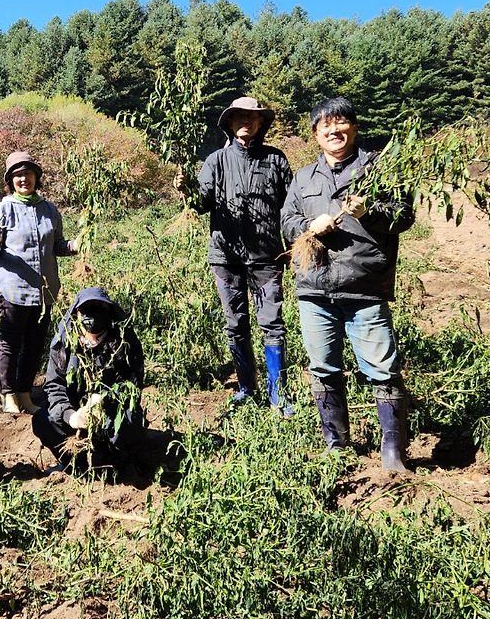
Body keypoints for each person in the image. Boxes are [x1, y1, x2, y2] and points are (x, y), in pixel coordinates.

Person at [279, 97, 415, 472]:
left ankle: (393, 452)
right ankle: (336, 444)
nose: (334, 131)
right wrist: (308, 227)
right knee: (323, 368)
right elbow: (287, 220)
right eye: (325, 126)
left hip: (364, 287)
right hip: (314, 289)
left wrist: (369, 211)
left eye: (341, 124)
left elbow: (404, 216)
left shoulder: (379, 169)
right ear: (315, 134)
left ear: (354, 128)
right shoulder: (303, 177)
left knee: (382, 371)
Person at [175, 97, 294, 412]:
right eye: (239, 117)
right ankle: (246, 388)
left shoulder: (276, 160)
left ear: (260, 124)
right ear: (229, 123)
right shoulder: (215, 161)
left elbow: (290, 207)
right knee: (236, 323)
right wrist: (186, 188)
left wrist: (296, 243)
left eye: (252, 117)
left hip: (267, 257)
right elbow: (201, 206)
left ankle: (277, 393)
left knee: (272, 322)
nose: (245, 122)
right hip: (225, 258)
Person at [0, 151, 78, 414]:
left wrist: (73, 246)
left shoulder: (49, 209)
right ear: (10, 181)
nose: (23, 179)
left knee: (35, 345)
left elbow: (56, 245)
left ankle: (25, 394)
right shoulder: (2, 209)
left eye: (28, 173)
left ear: (36, 177)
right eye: (17, 175)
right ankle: (8, 395)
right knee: (10, 344)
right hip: (13, 290)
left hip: (45, 292)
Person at [32, 287, 146, 476]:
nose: (93, 315)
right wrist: (71, 416)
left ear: (109, 312)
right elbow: (54, 386)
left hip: (110, 415)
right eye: (87, 309)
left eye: (100, 308)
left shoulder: (124, 341)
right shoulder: (65, 342)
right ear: (77, 313)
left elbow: (132, 382)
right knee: (42, 421)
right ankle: (73, 464)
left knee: (129, 425)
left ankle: (117, 463)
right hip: (76, 417)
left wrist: (104, 401)